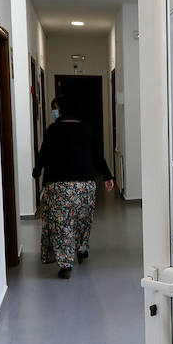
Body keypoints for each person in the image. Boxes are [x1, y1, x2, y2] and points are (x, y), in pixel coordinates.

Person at [32, 95, 114, 278]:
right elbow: (98, 156)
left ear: (62, 109)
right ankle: (82, 249)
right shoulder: (87, 130)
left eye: (55, 108)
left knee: (62, 224)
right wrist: (107, 176)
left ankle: (65, 263)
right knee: (82, 219)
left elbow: (43, 154)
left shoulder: (53, 130)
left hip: (59, 186)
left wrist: (37, 171)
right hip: (85, 186)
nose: (53, 111)